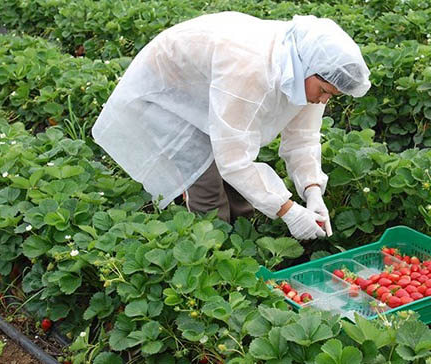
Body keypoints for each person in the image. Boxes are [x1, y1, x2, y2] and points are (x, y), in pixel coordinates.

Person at [91, 12, 371, 240]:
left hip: (210, 83)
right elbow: (234, 160)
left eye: (331, 97)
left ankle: (240, 249)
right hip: (169, 90)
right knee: (206, 186)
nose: (323, 100)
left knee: (238, 191)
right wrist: (288, 211)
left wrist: (312, 191)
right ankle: (209, 255)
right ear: (309, 68)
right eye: (323, 90)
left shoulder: (306, 71)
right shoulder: (252, 70)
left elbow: (303, 139)